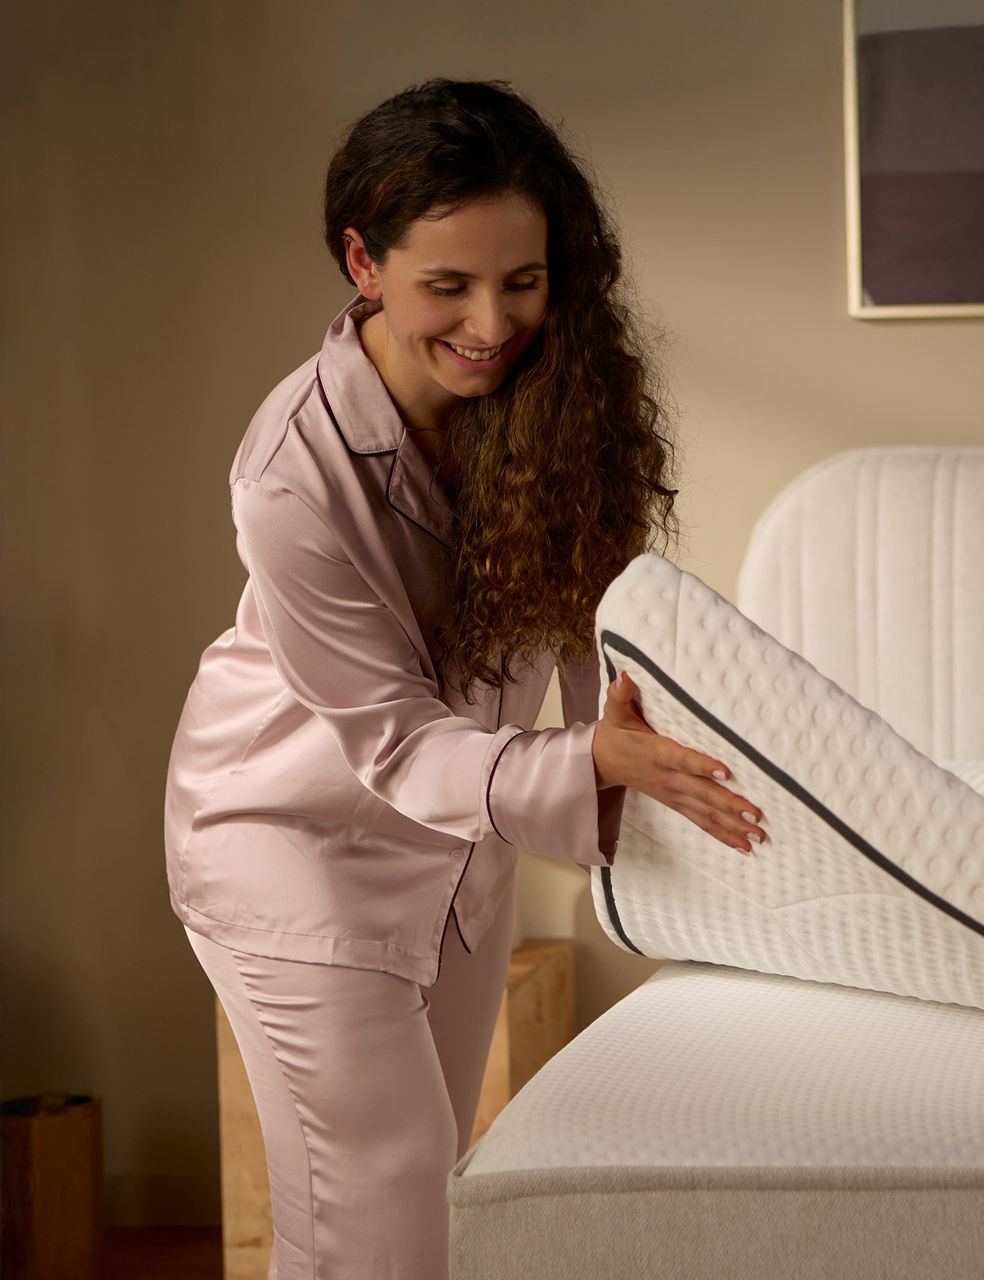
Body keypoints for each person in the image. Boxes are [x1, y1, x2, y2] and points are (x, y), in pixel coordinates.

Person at [162, 78, 766, 1279]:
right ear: (364, 263)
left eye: (522, 280)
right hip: (292, 840)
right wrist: (588, 762)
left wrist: (644, 782)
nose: (492, 323)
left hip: (460, 851)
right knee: (374, 1195)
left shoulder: (554, 400)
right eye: (448, 285)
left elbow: (603, 632)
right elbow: (393, 744)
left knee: (407, 1202)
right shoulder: (290, 474)